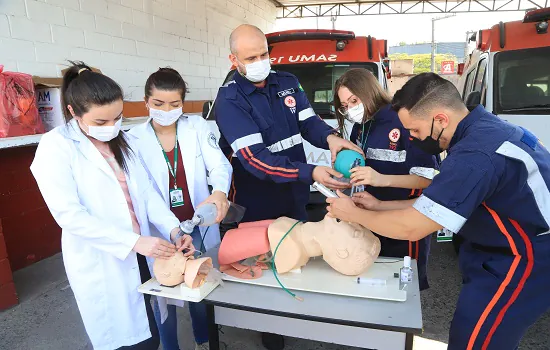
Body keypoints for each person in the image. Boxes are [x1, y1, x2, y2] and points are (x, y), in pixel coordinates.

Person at [326, 72, 550, 349]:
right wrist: (379, 205)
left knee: (476, 341)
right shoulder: (483, 130)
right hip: (495, 249)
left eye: (416, 131)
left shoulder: (476, 155)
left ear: (440, 119)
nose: (412, 137)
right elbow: (441, 199)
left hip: (523, 257)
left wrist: (353, 213)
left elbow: (414, 226)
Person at [213, 24, 362, 350]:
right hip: (256, 198)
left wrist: (332, 139)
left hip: (292, 192)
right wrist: (313, 172)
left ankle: (296, 310)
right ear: (233, 60)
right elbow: (256, 160)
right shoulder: (230, 101)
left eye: (264, 54)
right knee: (261, 263)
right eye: (251, 57)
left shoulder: (288, 83)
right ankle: (270, 328)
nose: (260, 61)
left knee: (295, 252)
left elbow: (309, 123)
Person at [30, 61, 194, 350]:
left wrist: (173, 230)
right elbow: (69, 215)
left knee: (152, 332)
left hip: (142, 255)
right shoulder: (56, 146)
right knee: (126, 342)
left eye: (117, 118)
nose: (112, 127)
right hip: (104, 261)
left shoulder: (123, 142)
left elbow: (146, 194)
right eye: (101, 122)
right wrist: (133, 242)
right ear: (73, 112)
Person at [128, 67, 232, 350]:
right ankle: (170, 346)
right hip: (161, 228)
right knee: (163, 292)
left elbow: (219, 164)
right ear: (146, 101)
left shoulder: (197, 127)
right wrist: (171, 228)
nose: (166, 110)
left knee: (199, 283)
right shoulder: (132, 140)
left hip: (199, 223)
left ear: (183, 103)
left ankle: (204, 341)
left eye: (174, 104)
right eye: (159, 104)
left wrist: (219, 193)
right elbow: (145, 194)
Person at [333, 68, 438, 290]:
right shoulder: (361, 127)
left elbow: (429, 180)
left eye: (354, 100)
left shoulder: (403, 120)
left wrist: (381, 179)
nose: (351, 109)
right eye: (345, 106)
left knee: (405, 285)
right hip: (370, 215)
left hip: (405, 217)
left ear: (369, 91)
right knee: (376, 280)